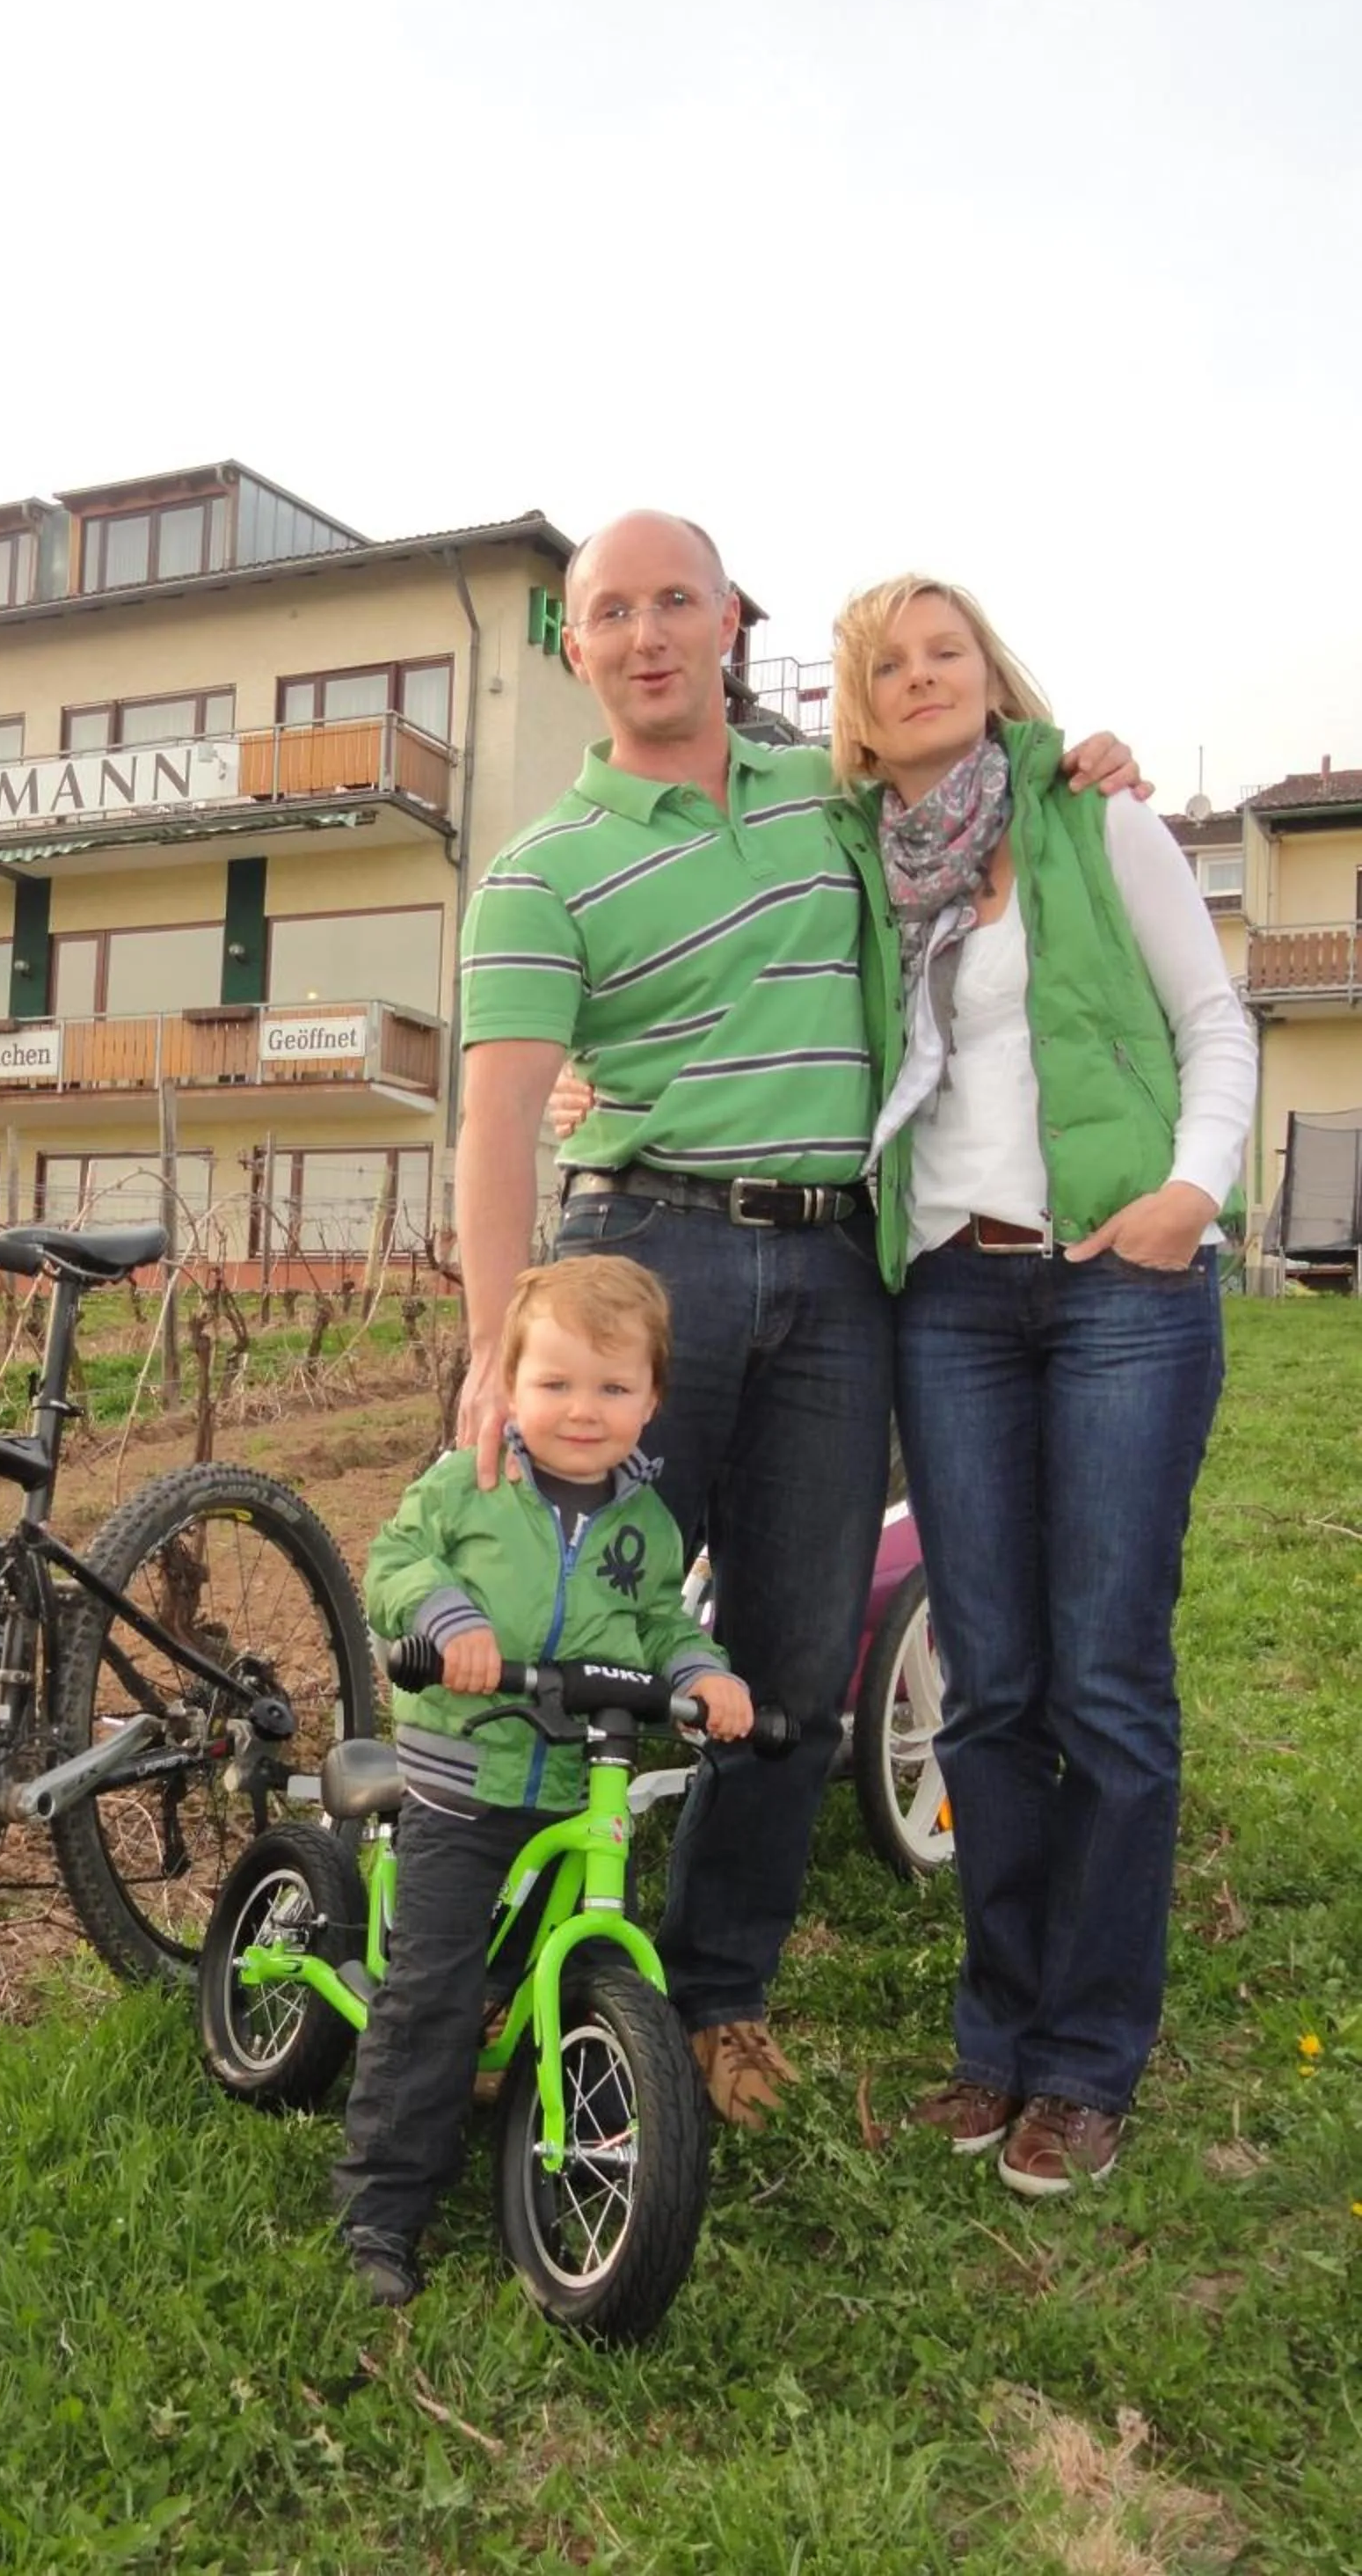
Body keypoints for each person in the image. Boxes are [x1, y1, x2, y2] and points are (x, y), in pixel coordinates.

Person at [455, 509, 1140, 2133]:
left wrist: (1071, 768)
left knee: (794, 1669)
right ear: (576, 650)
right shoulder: (542, 870)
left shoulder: (820, 798)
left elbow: (956, 783)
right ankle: (494, 1975)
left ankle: (715, 2000)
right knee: (570, 1629)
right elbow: (494, 1127)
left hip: (840, 1276)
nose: (645, 635)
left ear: (727, 620)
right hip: (643, 1258)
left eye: (673, 601)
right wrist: (498, 1346)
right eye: (609, 612)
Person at [827, 574, 1255, 2193]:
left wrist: (1195, 1189)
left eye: (947, 650)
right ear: (858, 713)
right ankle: (996, 2038)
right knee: (991, 1683)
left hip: (1118, 1291)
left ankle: (1088, 2064)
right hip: (948, 1296)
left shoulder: (1097, 823)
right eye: (889, 663)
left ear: (989, 674)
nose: (922, 675)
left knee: (1107, 1682)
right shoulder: (857, 870)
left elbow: (1215, 1024)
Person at [335, 1253, 750, 2305]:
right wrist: (450, 1620)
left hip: (576, 1781)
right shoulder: (467, 1484)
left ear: (653, 1401)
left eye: (614, 1389)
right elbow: (394, 1563)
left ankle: (590, 2126)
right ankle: (380, 2212)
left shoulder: (649, 1528)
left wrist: (703, 1674)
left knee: (547, 1967)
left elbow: (661, 1625)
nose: (582, 1411)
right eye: (557, 1384)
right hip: (464, 1773)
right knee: (431, 1993)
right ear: (509, 1386)